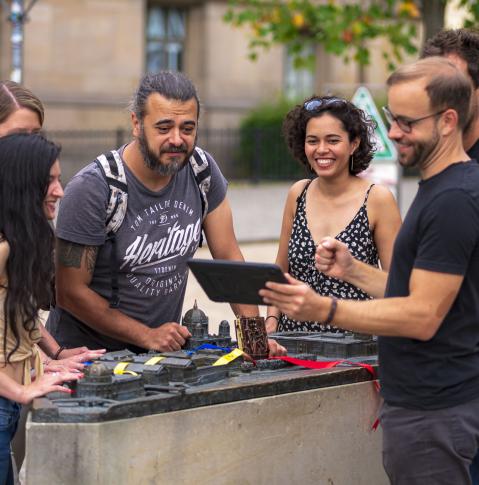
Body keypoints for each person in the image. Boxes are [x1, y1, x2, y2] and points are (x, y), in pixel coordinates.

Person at [260, 56, 479, 484]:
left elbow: (421, 315)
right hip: (421, 404)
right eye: (391, 119)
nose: (393, 132)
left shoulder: (454, 198)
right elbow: (411, 291)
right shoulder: (442, 190)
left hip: (434, 407)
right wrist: (354, 270)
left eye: (406, 122)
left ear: (448, 121)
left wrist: (323, 308)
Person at [48, 70, 285, 356]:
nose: (177, 139)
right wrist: (146, 335)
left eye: (187, 128)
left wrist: (255, 339)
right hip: (85, 358)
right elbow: (70, 292)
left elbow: (229, 256)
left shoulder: (202, 171)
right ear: (136, 123)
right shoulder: (94, 188)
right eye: (163, 127)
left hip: (158, 357)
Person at [265, 95, 401, 334]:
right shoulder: (298, 193)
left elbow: (398, 287)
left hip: (355, 348)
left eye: (333, 140)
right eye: (312, 141)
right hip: (293, 346)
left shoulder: (378, 199)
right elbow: (281, 270)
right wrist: (272, 322)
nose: (321, 150)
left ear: (354, 143)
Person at [0, 133, 84, 484]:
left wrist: (51, 362)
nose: (59, 191)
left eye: (58, 179)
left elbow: (14, 327)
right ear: (22, 186)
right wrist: (20, 391)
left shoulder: (19, 244)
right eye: (48, 180)